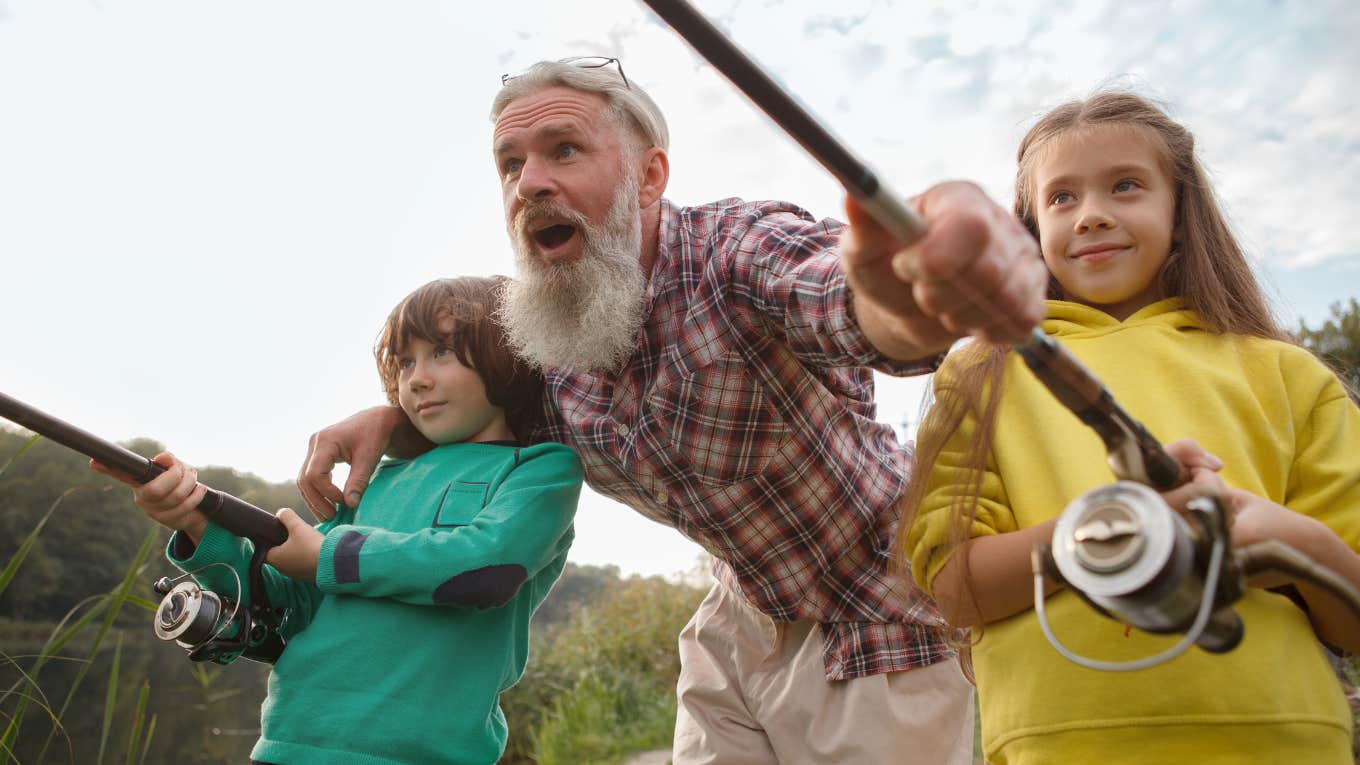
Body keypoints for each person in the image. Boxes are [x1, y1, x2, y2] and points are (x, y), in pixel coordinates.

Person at [298, 59, 1049, 764]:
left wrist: (912, 291)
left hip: (876, 614)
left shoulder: (735, 249)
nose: (529, 183)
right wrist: (390, 419)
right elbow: (477, 400)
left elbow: (848, 303)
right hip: (737, 620)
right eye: (510, 164)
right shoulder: (542, 340)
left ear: (649, 175)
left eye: (563, 150)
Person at [900, 91, 1360, 764]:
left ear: (1181, 214)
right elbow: (954, 588)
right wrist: (1115, 530)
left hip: (1283, 740)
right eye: (1061, 198)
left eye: (1125, 185)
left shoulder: (1289, 374)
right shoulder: (978, 373)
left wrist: (1288, 538)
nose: (1090, 216)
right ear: (1032, 227)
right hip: (1057, 747)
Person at [94, 277, 582, 765]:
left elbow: (484, 571)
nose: (416, 379)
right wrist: (196, 522)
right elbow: (281, 596)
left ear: (510, 355)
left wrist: (329, 555)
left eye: (442, 352)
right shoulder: (373, 481)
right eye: (406, 361)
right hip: (287, 746)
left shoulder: (541, 470)